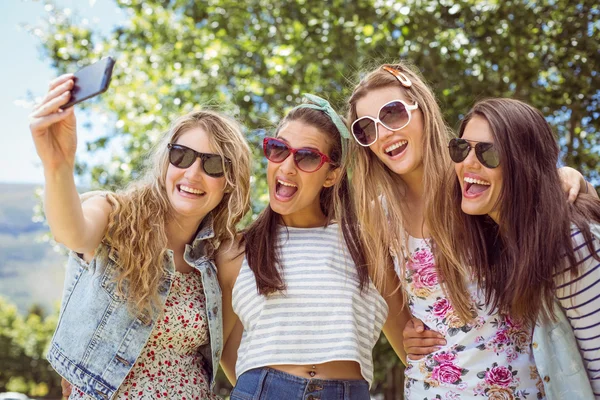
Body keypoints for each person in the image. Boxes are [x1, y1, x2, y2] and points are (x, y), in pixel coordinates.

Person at [344, 62, 594, 399]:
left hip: (521, 386)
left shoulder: (473, 181)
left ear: (423, 110)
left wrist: (566, 176)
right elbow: (403, 330)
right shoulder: (377, 217)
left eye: (392, 114)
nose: (384, 133)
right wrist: (412, 339)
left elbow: (535, 197)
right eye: (366, 129)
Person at [29, 73, 251, 400]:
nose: (192, 173)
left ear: (229, 182)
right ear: (166, 160)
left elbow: (236, 362)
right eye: (182, 156)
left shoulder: (218, 260)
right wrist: (57, 164)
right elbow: (72, 232)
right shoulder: (114, 215)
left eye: (213, 165)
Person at [216, 94, 410, 400]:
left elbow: (409, 342)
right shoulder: (237, 251)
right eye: (278, 150)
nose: (287, 167)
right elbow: (224, 350)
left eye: (306, 157)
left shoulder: (366, 244)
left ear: (331, 175)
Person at [429, 98, 599, 398]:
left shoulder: (568, 243)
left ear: (524, 164)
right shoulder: (505, 241)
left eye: (488, 152)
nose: (468, 162)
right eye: (461, 148)